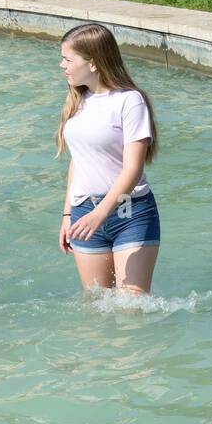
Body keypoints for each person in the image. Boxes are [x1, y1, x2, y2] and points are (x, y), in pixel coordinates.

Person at [56, 24, 162, 294]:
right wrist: (68, 214)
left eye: (68, 59)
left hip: (130, 213)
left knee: (131, 310)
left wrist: (99, 215)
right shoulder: (78, 100)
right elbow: (77, 161)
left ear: (92, 63)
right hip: (83, 211)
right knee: (97, 310)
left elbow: (133, 168)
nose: (62, 65)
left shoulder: (130, 101)